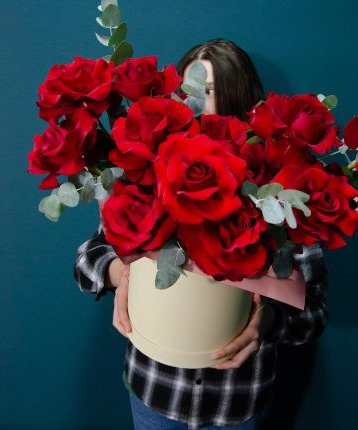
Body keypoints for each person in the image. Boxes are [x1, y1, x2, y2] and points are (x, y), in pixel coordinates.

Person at [74, 39, 328, 430]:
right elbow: (86, 260)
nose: (196, 100)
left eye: (209, 90)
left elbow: (313, 312)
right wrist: (119, 274)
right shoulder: (147, 176)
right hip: (156, 391)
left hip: (237, 399)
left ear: (238, 97)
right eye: (187, 88)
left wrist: (267, 321)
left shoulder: (279, 192)